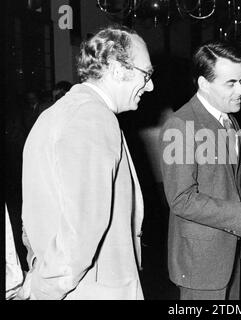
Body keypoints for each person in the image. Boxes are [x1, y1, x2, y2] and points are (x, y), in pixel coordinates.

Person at [20, 25, 154, 300]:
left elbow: (34, 216)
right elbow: (81, 231)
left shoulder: (59, 113)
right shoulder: (93, 118)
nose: (150, 86)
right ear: (119, 69)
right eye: (147, 74)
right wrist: (41, 290)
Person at [160, 42, 241, 300]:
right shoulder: (181, 125)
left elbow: (233, 176)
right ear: (204, 83)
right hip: (202, 262)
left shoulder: (230, 119)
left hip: (231, 251)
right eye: (231, 83)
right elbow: (182, 200)